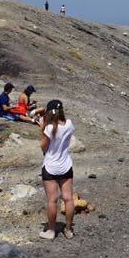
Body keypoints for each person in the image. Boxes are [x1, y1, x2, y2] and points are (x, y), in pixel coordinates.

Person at [37, 100, 75, 240]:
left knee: (52, 200)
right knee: (68, 199)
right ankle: (68, 229)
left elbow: (44, 148)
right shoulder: (70, 124)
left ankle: (51, 231)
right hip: (66, 165)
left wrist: (41, 128)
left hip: (51, 167)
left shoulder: (48, 129)